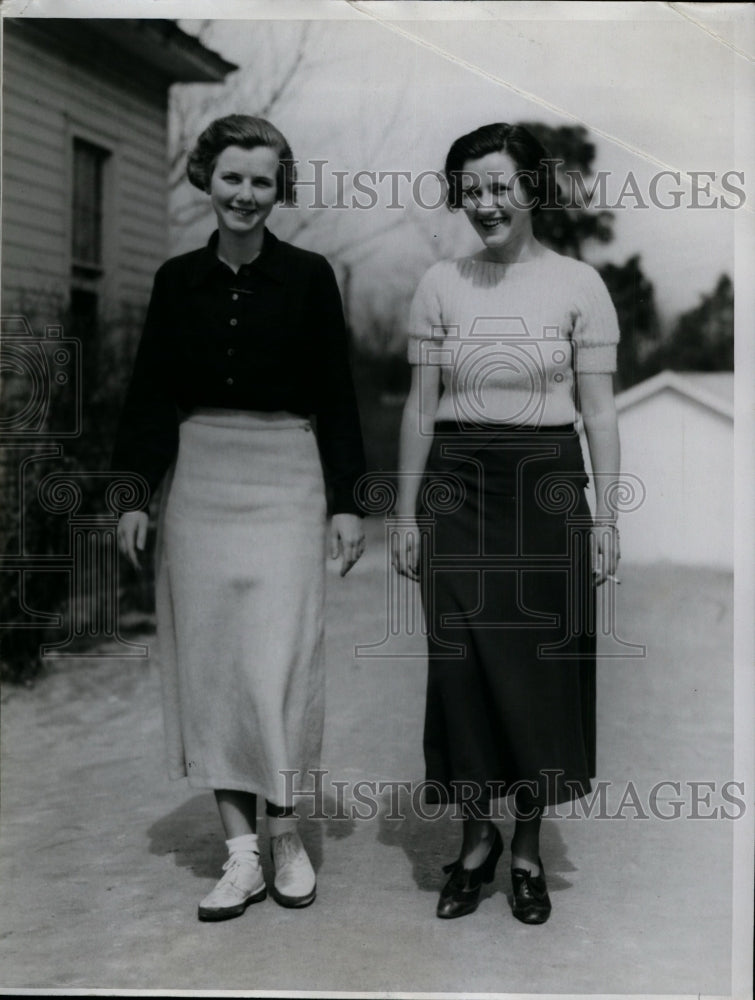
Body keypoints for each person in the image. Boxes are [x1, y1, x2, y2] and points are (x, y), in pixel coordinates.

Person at [112, 115, 366, 922]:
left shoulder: (309, 277)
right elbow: (150, 393)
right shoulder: (175, 280)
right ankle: (242, 854)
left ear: (277, 188)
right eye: (232, 177)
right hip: (200, 487)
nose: (246, 194)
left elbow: (337, 394)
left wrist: (348, 501)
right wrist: (133, 493)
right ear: (206, 179)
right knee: (216, 667)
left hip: (286, 479)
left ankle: (285, 837)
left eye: (261, 180)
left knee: (278, 662)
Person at [393, 122, 620, 924]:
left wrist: (604, 519)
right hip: (455, 490)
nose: (485, 203)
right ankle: (474, 840)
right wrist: (405, 514)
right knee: (459, 672)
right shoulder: (438, 283)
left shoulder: (579, 285)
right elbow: (419, 409)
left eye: (500, 186)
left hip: (545, 490)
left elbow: (599, 413)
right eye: (471, 190)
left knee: (536, 678)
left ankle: (524, 849)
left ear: (532, 189)